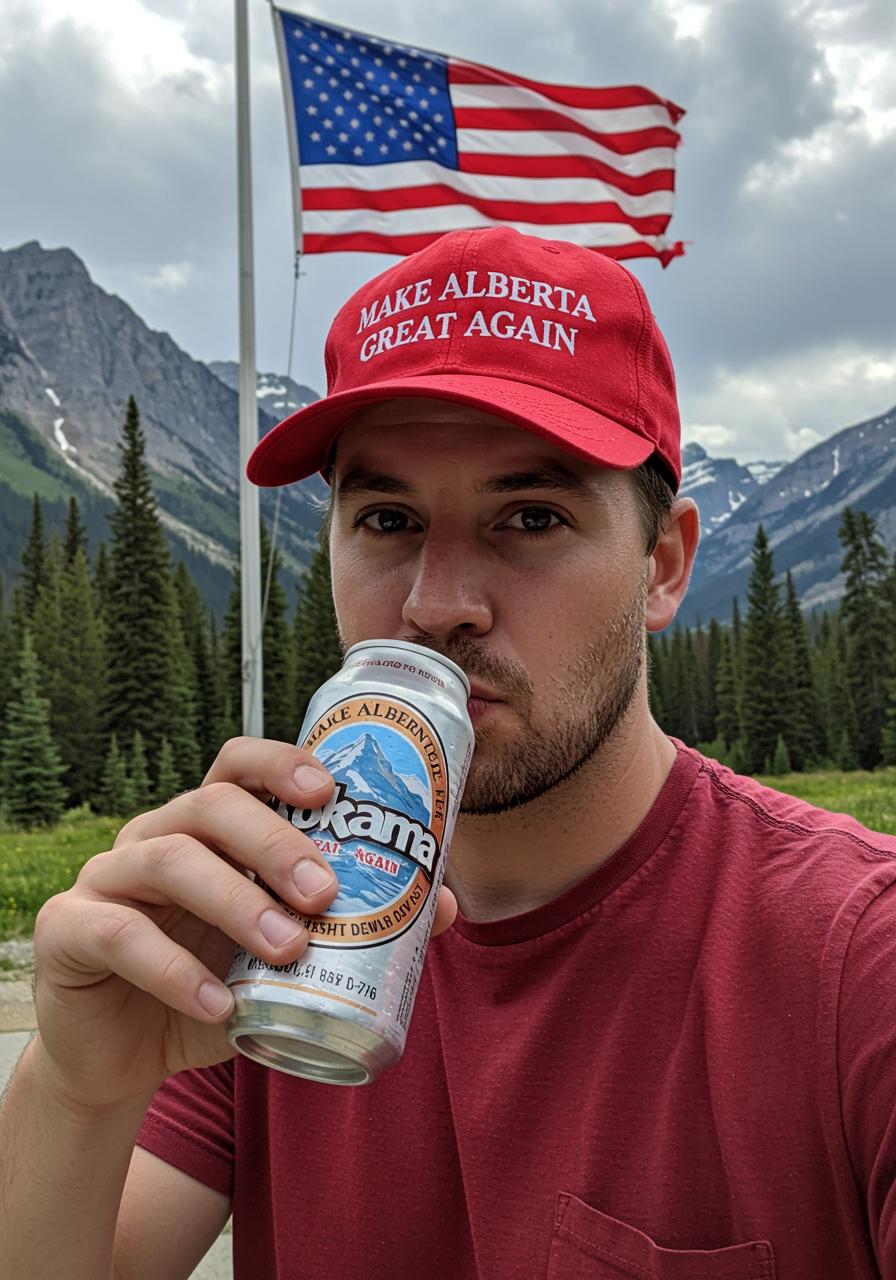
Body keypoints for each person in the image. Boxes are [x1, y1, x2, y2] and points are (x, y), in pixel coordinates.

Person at [2, 227, 896, 1280]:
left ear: (660, 567)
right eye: (385, 516)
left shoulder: (853, 961)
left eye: (528, 515)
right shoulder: (256, 929)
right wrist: (76, 1085)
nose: (436, 604)